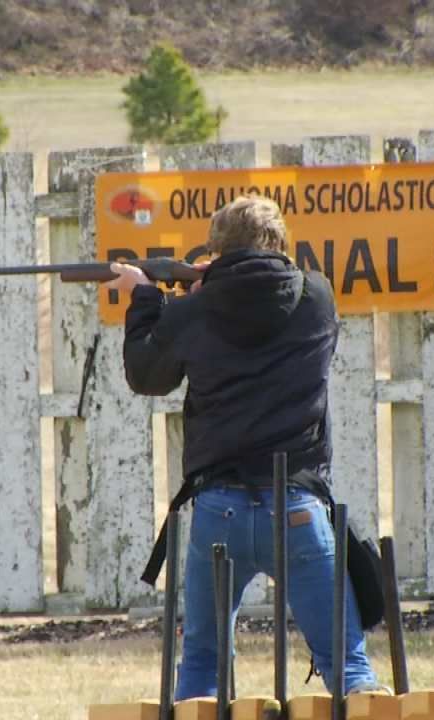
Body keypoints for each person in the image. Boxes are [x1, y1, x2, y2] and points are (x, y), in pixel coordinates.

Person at [103, 194, 382, 700]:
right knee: (348, 666)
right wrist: (212, 286)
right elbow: (263, 296)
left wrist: (145, 298)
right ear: (280, 244)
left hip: (218, 509)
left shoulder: (194, 311)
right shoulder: (317, 298)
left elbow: (146, 375)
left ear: (216, 249)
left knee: (203, 669)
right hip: (297, 507)